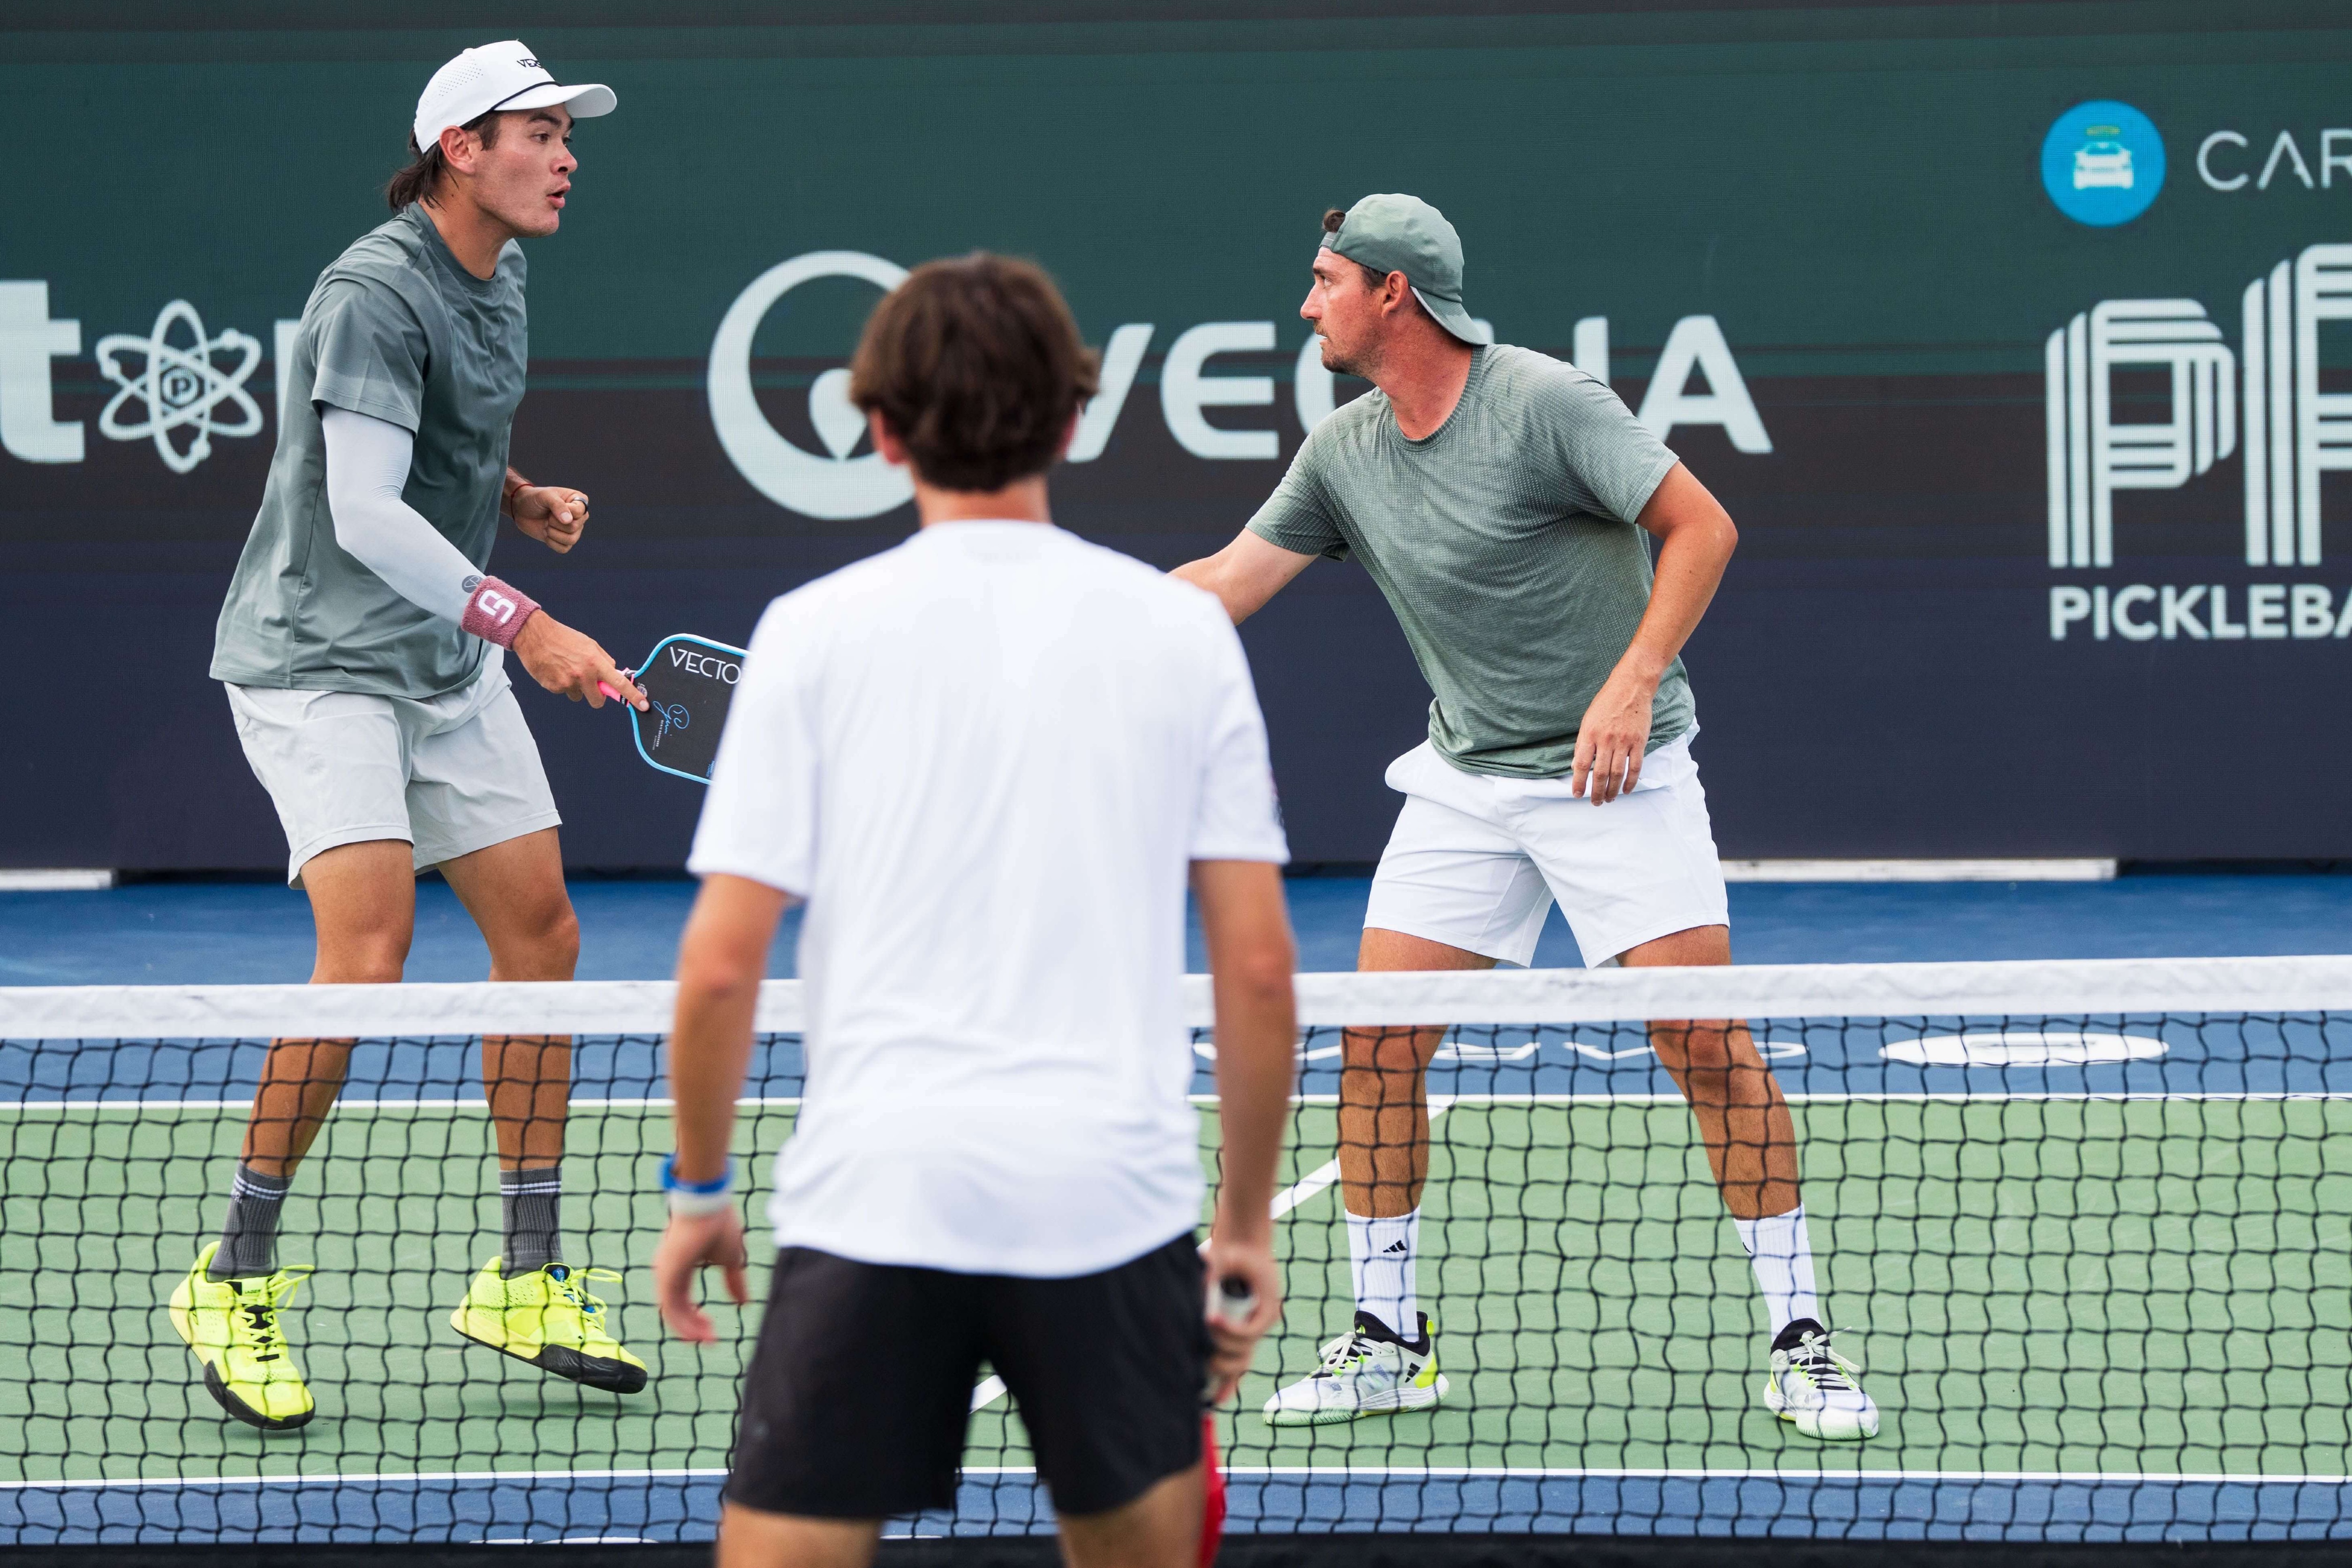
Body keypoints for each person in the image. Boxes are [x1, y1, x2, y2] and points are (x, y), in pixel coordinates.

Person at [1173, 194, 1878, 1442]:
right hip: (1468, 781)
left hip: (1620, 776)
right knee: (1380, 1048)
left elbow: (1701, 525)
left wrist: (1633, 677)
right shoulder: (1343, 450)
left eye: (1327, 279)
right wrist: (1053, 614)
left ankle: (1801, 1337)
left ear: (1396, 294)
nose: (1307, 302)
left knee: (1705, 1047)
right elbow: (1222, 585)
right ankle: (1390, 1340)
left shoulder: (1546, 405)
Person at [650, 253, 1298, 1568]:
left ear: (881, 429)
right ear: (1072, 419)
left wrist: (700, 1187)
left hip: (878, 1201)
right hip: (1111, 1209)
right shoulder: (1179, 636)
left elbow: (721, 971)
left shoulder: (808, 633)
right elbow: (1260, 971)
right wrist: (1239, 1231)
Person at [167, 41, 652, 1432]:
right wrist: (532, 621)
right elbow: (366, 510)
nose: (565, 158)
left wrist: (515, 491)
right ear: (459, 148)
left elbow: (423, 445)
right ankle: (234, 1273)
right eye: (539, 135)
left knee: (542, 937)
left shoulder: (497, 273)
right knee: (368, 949)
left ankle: (525, 1272)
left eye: (569, 136)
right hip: (318, 663)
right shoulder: (372, 288)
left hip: (438, 662)